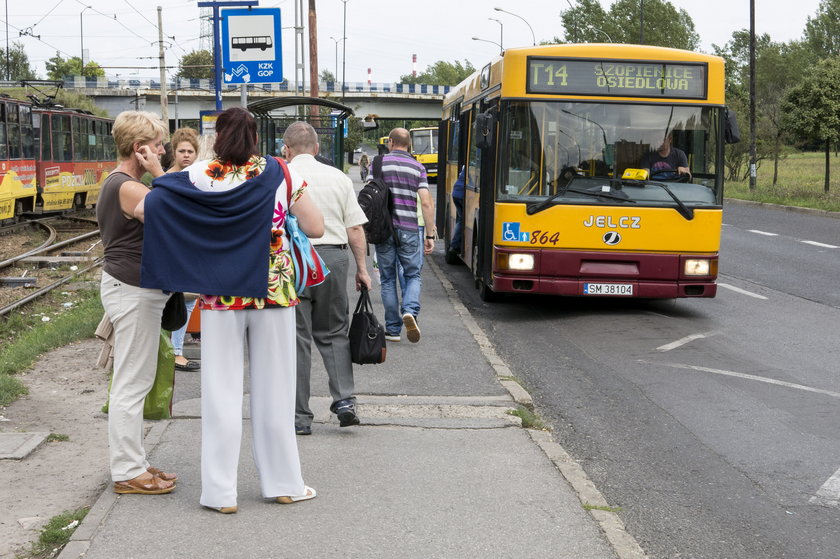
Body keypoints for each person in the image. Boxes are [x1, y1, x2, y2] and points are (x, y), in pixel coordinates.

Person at [138, 107, 325, 514]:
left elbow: (164, 196)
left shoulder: (202, 173)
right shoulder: (281, 170)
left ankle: (221, 495)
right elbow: (315, 227)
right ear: (256, 137)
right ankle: (284, 484)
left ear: (218, 137)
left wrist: (155, 166)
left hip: (220, 295)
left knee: (220, 394)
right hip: (273, 291)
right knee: (276, 391)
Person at [96, 110, 176, 496]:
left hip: (132, 288)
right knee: (131, 382)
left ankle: (136, 462)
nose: (163, 150)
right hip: (132, 290)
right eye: (158, 144)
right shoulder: (128, 187)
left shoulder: (123, 183)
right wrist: (161, 173)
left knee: (136, 379)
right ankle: (127, 471)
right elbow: (176, 215)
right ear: (139, 148)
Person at [282, 121, 372, 436]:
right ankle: (345, 401)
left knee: (297, 338)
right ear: (317, 148)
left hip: (293, 260)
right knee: (334, 332)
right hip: (333, 258)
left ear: (286, 149)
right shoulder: (338, 178)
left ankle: (299, 417)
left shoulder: (281, 177)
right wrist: (362, 269)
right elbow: (355, 229)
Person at [375, 128, 435, 344]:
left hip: (383, 229)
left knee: (388, 278)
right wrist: (430, 233)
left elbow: (372, 193)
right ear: (409, 144)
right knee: (412, 275)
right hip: (410, 228)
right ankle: (409, 310)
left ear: (391, 142)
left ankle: (392, 329)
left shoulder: (379, 163)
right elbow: (426, 202)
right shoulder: (418, 167)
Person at [164, 127, 201, 372]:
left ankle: (172, 350)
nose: (186, 155)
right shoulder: (168, 178)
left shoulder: (195, 177)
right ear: (174, 153)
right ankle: (174, 352)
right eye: (182, 151)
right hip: (174, 248)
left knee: (185, 300)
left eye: (190, 151)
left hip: (190, 248)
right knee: (179, 300)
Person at [449, 165, 466, 257]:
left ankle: (455, 245)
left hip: (457, 193)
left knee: (461, 219)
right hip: (461, 195)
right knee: (462, 220)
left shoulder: (466, 166)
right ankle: (455, 245)